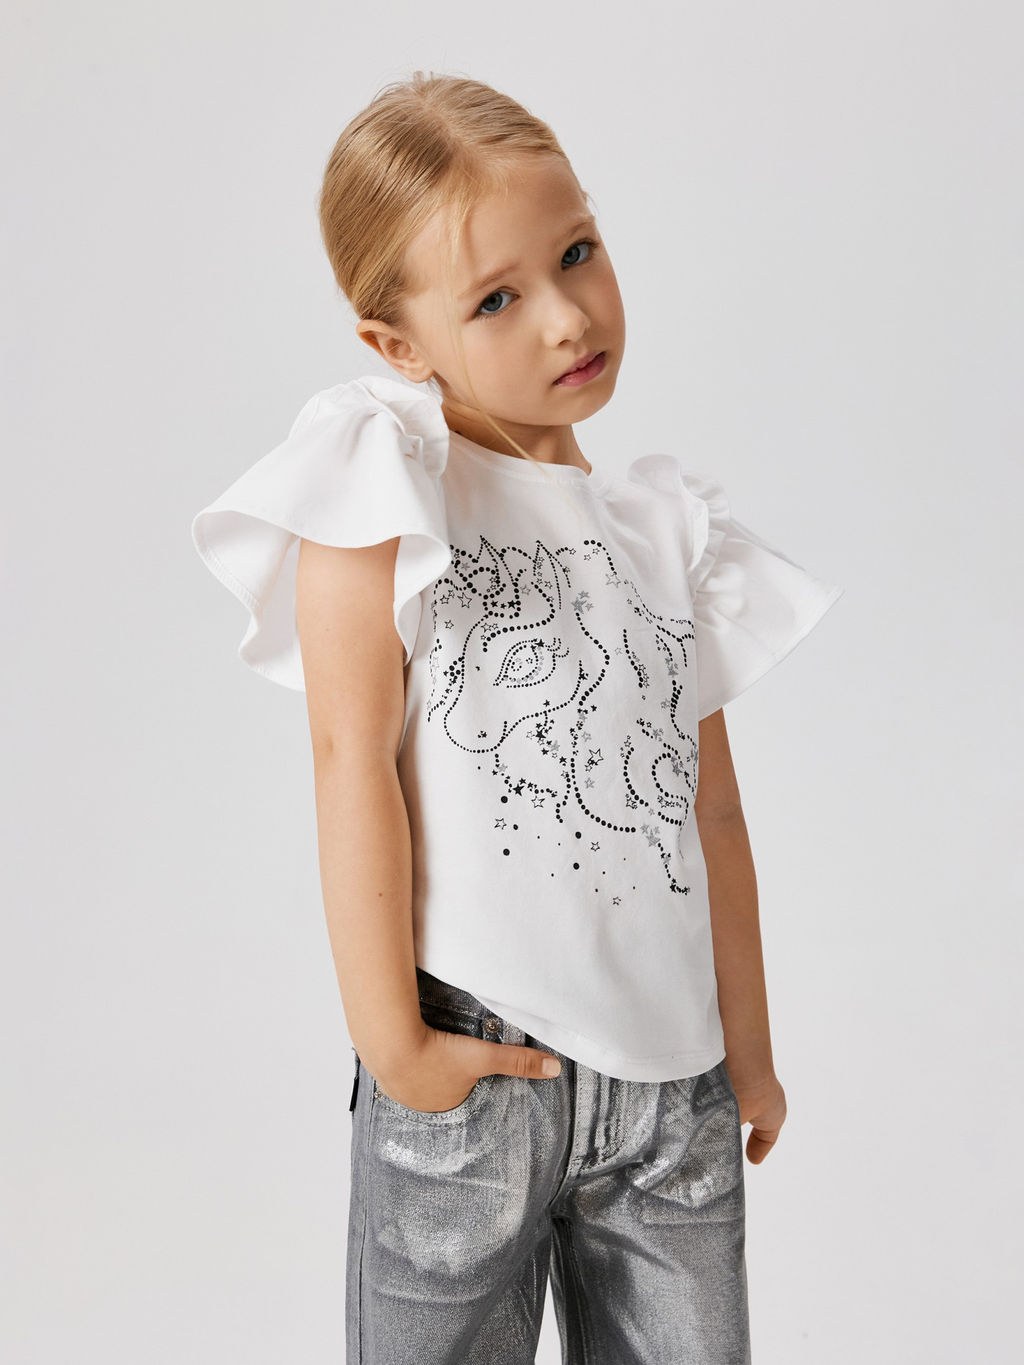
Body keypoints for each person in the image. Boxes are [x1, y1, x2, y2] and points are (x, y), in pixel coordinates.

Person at [190, 72, 844, 1365]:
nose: (566, 315)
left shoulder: (668, 533)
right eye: (496, 298)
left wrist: (749, 1051)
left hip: (673, 1094)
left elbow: (710, 811)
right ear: (396, 344)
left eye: (578, 252)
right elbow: (352, 764)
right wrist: (395, 1044)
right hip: (474, 1069)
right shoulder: (387, 491)